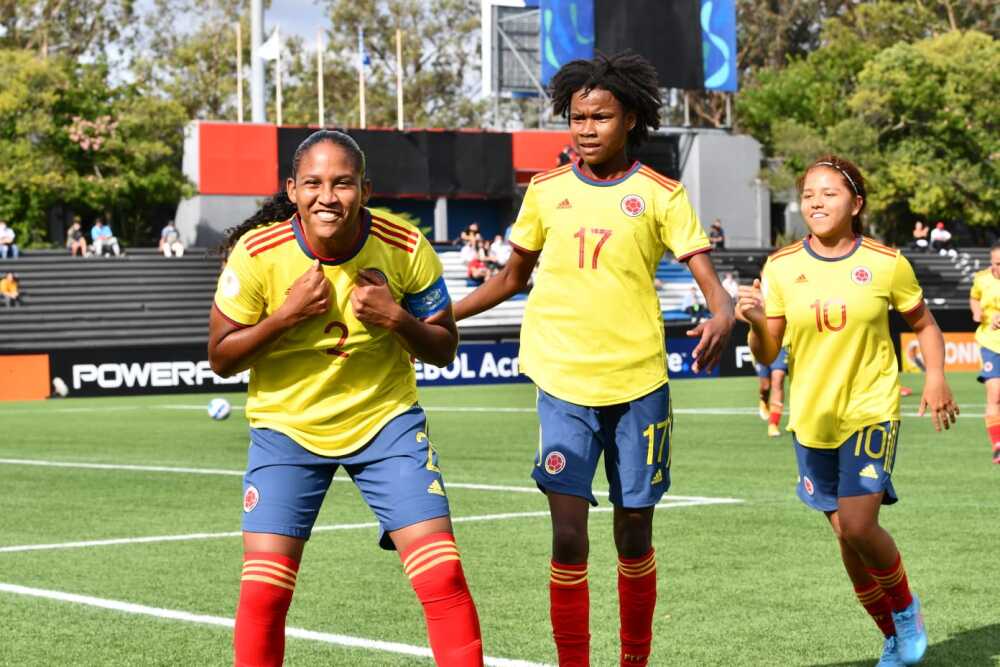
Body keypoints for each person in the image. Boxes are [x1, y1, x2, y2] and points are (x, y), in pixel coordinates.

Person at [453, 52, 734, 667]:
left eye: (599, 116)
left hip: (639, 384)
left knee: (635, 535)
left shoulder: (662, 195)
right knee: (567, 536)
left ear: (629, 118)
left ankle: (635, 660)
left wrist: (722, 310)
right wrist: (441, 317)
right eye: (576, 117)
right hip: (562, 381)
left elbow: (709, 280)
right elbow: (509, 279)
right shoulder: (546, 191)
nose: (585, 128)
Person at [208, 130, 483, 667]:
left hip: (386, 424)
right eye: (312, 183)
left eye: (342, 183)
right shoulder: (258, 253)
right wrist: (287, 316)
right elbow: (222, 357)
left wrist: (396, 319)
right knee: (265, 591)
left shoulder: (404, 247)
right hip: (287, 428)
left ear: (365, 188)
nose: (326, 197)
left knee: (442, 573)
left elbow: (445, 347)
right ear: (292, 190)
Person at [737, 155, 959, 667]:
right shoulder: (781, 266)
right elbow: (768, 352)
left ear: (855, 203)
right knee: (844, 537)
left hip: (870, 408)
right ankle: (891, 636)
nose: (816, 201)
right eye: (809, 194)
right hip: (812, 417)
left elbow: (924, 324)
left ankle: (906, 611)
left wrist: (936, 376)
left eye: (829, 193)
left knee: (859, 527)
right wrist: (752, 322)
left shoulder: (886, 262)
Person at [969, 242, 1000, 465]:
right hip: (991, 342)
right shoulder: (982, 278)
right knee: (995, 393)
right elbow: (974, 297)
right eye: (996, 263)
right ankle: (998, 445)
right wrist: (976, 311)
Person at [754, 346, 789, 437]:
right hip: (761, 343)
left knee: (778, 378)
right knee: (765, 386)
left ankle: (773, 424)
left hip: (782, 345)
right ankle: (764, 401)